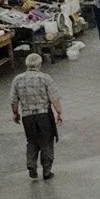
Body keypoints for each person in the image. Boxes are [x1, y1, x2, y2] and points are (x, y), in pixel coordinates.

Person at [9, 53, 62, 181]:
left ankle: (31, 164)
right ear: (40, 64)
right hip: (44, 115)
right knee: (46, 142)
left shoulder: (17, 79)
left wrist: (15, 113)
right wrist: (59, 113)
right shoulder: (45, 78)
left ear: (26, 64)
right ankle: (47, 171)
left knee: (32, 141)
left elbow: (13, 100)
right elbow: (54, 98)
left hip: (27, 116)